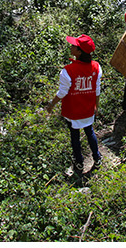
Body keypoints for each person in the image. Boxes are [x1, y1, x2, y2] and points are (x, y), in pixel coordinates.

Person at [46, 34, 103, 182]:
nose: (70, 47)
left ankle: (79, 162)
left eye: (73, 46)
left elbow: (62, 93)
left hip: (73, 111)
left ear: (79, 52)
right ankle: (97, 158)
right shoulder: (96, 67)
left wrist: (51, 104)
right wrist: (96, 105)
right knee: (90, 132)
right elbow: (97, 89)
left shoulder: (67, 71)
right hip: (88, 109)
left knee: (75, 136)